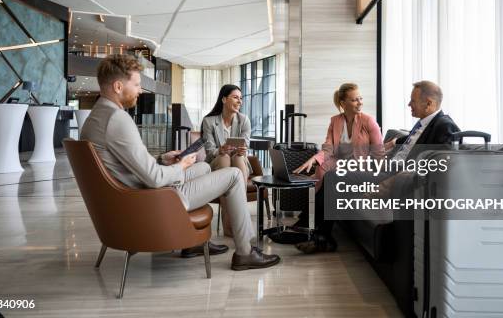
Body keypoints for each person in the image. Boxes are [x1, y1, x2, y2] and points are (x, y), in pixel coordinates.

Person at [80, 55, 280, 270]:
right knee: (232, 176)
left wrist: (162, 159)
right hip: (152, 200)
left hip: (138, 194)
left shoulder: (97, 117)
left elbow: (125, 164)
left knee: (203, 166)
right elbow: (155, 178)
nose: (140, 90)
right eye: (137, 84)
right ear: (119, 86)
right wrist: (180, 166)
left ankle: (192, 242)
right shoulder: (118, 119)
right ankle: (245, 252)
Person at [294, 80, 460, 254]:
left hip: (394, 176)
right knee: (331, 176)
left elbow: (440, 162)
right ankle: (316, 233)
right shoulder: (424, 123)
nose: (409, 104)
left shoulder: (445, 125)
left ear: (429, 103)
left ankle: (316, 234)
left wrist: (395, 177)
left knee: (334, 177)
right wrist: (394, 142)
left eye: (413, 100)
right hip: (385, 170)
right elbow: (411, 141)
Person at [291, 83, 384, 251]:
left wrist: (366, 177)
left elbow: (379, 155)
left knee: (332, 179)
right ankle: (317, 233)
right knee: (327, 174)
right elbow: (328, 148)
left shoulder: (369, 122)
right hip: (340, 168)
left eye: (360, 98)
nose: (360, 102)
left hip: (361, 171)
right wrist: (314, 159)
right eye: (355, 100)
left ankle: (308, 223)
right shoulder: (336, 121)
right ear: (343, 103)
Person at [201, 84, 251, 237]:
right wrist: (220, 150)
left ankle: (234, 225)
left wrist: (242, 150)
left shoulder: (244, 120)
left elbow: (245, 145)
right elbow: (210, 152)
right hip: (217, 162)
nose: (239, 101)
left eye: (241, 98)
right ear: (224, 99)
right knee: (223, 159)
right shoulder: (209, 121)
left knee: (236, 158)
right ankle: (234, 227)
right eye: (235, 97)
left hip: (239, 160)